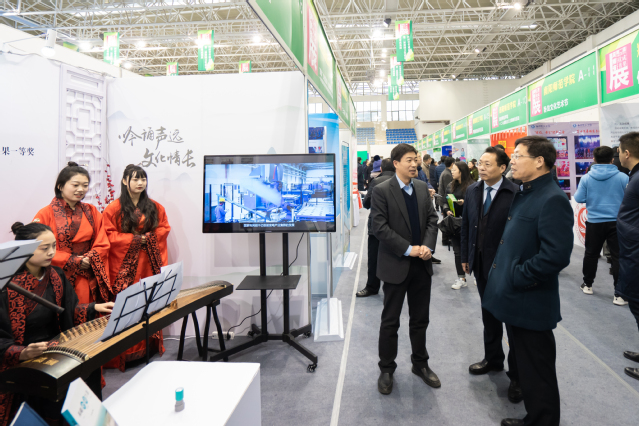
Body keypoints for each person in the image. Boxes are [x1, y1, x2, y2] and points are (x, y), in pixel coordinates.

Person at [483, 136, 573, 426]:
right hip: (517, 298)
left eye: (518, 156)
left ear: (539, 161)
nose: (512, 161)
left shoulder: (552, 199)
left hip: (531, 301)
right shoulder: (527, 192)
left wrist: (517, 275)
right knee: (527, 365)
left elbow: (555, 256)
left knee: (538, 369)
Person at [0, 222, 114, 426]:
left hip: (55, 345)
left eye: (54, 246)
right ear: (24, 250)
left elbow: (68, 311)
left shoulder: (56, 274)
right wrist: (22, 352)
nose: (52, 252)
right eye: (44, 248)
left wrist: (93, 307)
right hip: (25, 353)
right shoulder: (7, 287)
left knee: (89, 368)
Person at [371, 143, 439, 395]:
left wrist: (427, 247)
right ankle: (387, 368)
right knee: (390, 321)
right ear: (396, 163)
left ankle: (420, 364)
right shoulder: (381, 191)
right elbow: (380, 228)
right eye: (409, 160)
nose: (414, 164)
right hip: (395, 265)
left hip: (421, 266)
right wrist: (410, 249)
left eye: (416, 159)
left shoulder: (421, 187)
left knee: (420, 319)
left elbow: (432, 219)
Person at [460, 147, 521, 403]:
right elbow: (466, 225)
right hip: (480, 264)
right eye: (480, 163)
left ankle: (517, 376)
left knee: (513, 323)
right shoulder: (473, 190)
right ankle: (493, 359)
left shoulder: (515, 193)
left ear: (502, 168)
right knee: (489, 315)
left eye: (487, 164)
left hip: (506, 268)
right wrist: (465, 256)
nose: (481, 168)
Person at [102, 164, 171, 370]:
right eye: (135, 179)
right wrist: (134, 240)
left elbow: (164, 229)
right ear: (125, 181)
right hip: (125, 266)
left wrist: (146, 239)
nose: (140, 183)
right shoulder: (113, 209)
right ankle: (126, 353)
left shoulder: (155, 207)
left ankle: (149, 347)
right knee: (129, 303)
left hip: (149, 263)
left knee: (149, 301)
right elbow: (108, 235)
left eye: (143, 179)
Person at [32, 162, 111, 304]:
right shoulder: (45, 214)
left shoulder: (91, 211)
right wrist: (73, 261)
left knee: (88, 310)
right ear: (60, 186)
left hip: (87, 273)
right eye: (75, 185)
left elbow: (103, 242)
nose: (81, 189)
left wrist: (90, 258)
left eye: (85, 185)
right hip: (57, 274)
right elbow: (37, 248)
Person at [573, 146, 628, 305]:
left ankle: (587, 285)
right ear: (612, 159)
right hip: (617, 222)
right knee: (618, 256)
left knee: (591, 254)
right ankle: (619, 294)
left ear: (594, 159)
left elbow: (579, 198)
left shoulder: (587, 178)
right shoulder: (623, 177)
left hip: (594, 222)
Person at [615, 132, 639, 381]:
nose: (618, 155)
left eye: (620, 151)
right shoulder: (634, 176)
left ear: (627, 153)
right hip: (632, 251)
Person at [357, 158, 396, 297]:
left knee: (374, 258)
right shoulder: (401, 182)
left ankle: (372, 287)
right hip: (396, 227)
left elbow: (367, 203)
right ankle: (393, 288)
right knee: (395, 258)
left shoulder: (376, 182)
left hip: (377, 227)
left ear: (381, 169)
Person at [442, 161, 474, 289]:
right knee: (457, 251)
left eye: (454, 170)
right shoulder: (450, 185)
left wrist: (464, 203)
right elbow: (445, 200)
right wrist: (446, 210)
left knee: (473, 250)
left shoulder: (473, 186)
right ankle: (461, 278)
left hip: (470, 223)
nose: (452, 172)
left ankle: (476, 275)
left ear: (461, 171)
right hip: (454, 224)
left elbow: (477, 205)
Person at [438, 157, 456, 244]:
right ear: (452, 164)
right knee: (446, 221)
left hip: (444, 199)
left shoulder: (446, 172)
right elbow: (448, 190)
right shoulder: (447, 174)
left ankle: (446, 239)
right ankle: (445, 240)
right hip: (445, 200)